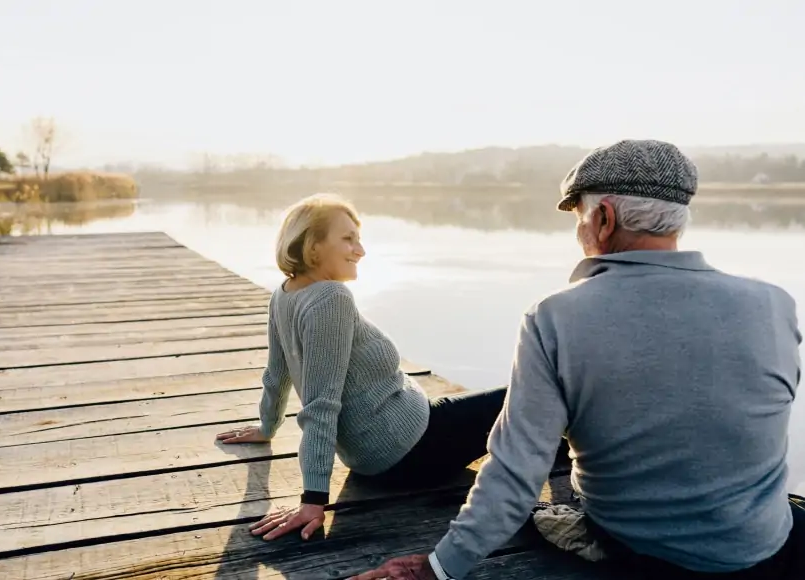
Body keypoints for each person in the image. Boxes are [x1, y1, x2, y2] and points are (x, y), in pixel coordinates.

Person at [349, 139, 803, 580]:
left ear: (603, 218)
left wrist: (437, 569)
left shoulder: (556, 317)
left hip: (638, 548)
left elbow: (515, 472)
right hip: (759, 545)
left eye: (580, 217)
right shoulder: (774, 303)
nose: (579, 231)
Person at [215, 193, 510, 542]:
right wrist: (312, 501)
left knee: (500, 408)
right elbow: (320, 403)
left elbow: (276, 373)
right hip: (412, 450)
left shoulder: (285, 293)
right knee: (531, 392)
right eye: (347, 239)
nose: (361, 250)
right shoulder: (331, 299)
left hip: (387, 443)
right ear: (313, 246)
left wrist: (267, 425)